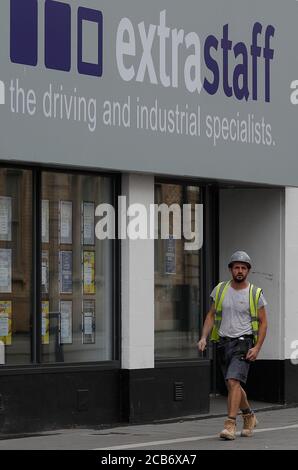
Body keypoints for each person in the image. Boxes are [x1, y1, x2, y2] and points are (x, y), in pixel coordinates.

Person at [198, 251, 268, 440]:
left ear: (248, 271)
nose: (239, 271)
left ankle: (230, 425)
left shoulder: (255, 293)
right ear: (230, 269)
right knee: (232, 386)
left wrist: (257, 347)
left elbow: (263, 323)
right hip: (222, 343)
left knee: (233, 382)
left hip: (244, 343)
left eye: (243, 268)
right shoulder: (220, 290)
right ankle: (249, 416)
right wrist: (204, 337)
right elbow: (211, 315)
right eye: (236, 267)